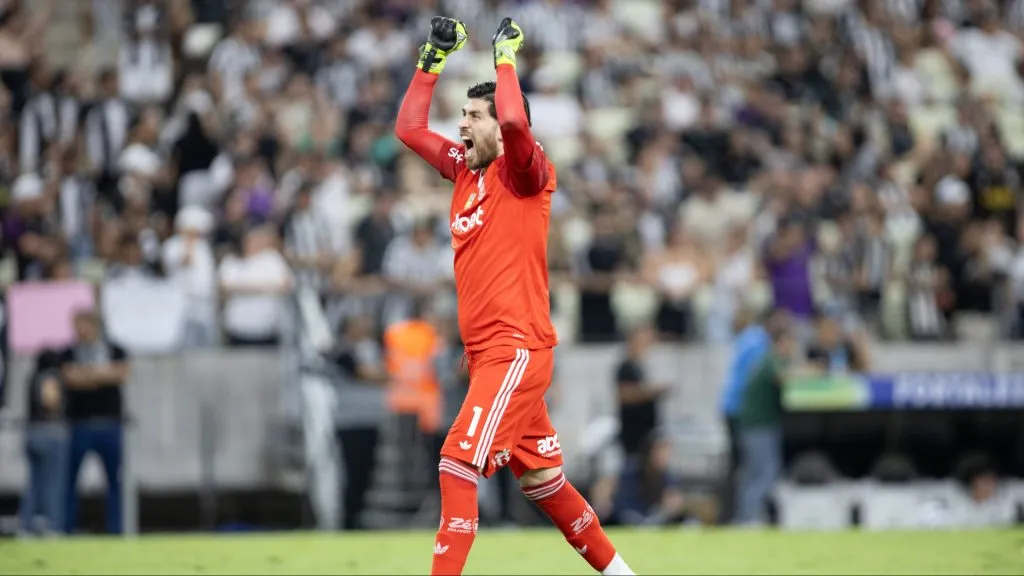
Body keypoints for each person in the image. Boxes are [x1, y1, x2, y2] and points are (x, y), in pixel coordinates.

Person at [395, 16, 633, 576]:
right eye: (463, 115)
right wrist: (432, 59)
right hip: (489, 356)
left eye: (473, 116)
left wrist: (506, 58)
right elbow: (409, 128)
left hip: (515, 348)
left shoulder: (524, 172)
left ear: (503, 129)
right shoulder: (465, 172)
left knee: (457, 462)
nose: (463, 125)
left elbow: (511, 119)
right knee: (544, 483)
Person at [60, 310, 130, 534]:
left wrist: (87, 375)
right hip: (80, 424)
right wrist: (102, 375)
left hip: (109, 424)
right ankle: (67, 527)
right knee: (69, 479)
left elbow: (121, 374)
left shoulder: (114, 349)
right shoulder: (68, 352)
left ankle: (117, 528)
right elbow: (70, 377)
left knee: (115, 480)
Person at [718, 307, 788, 523]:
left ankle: (740, 516)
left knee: (746, 469)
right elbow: (770, 375)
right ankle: (744, 516)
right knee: (756, 469)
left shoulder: (750, 338)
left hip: (736, 407)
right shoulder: (758, 341)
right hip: (741, 409)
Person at [734, 317, 798, 526]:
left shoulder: (766, 359)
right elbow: (783, 378)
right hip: (759, 425)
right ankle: (750, 517)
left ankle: (746, 516)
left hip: (755, 423)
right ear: (781, 342)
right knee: (765, 472)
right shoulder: (771, 360)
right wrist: (813, 372)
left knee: (754, 473)